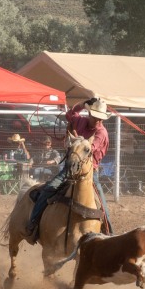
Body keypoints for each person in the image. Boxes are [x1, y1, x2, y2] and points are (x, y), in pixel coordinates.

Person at [26, 97, 113, 239]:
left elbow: (90, 148)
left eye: (100, 118)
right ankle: (33, 224)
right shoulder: (82, 122)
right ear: (90, 114)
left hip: (89, 174)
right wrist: (82, 104)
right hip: (69, 169)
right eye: (96, 116)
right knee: (47, 190)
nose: (98, 120)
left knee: (102, 206)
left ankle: (109, 234)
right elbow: (70, 114)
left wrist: (77, 142)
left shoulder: (101, 133)